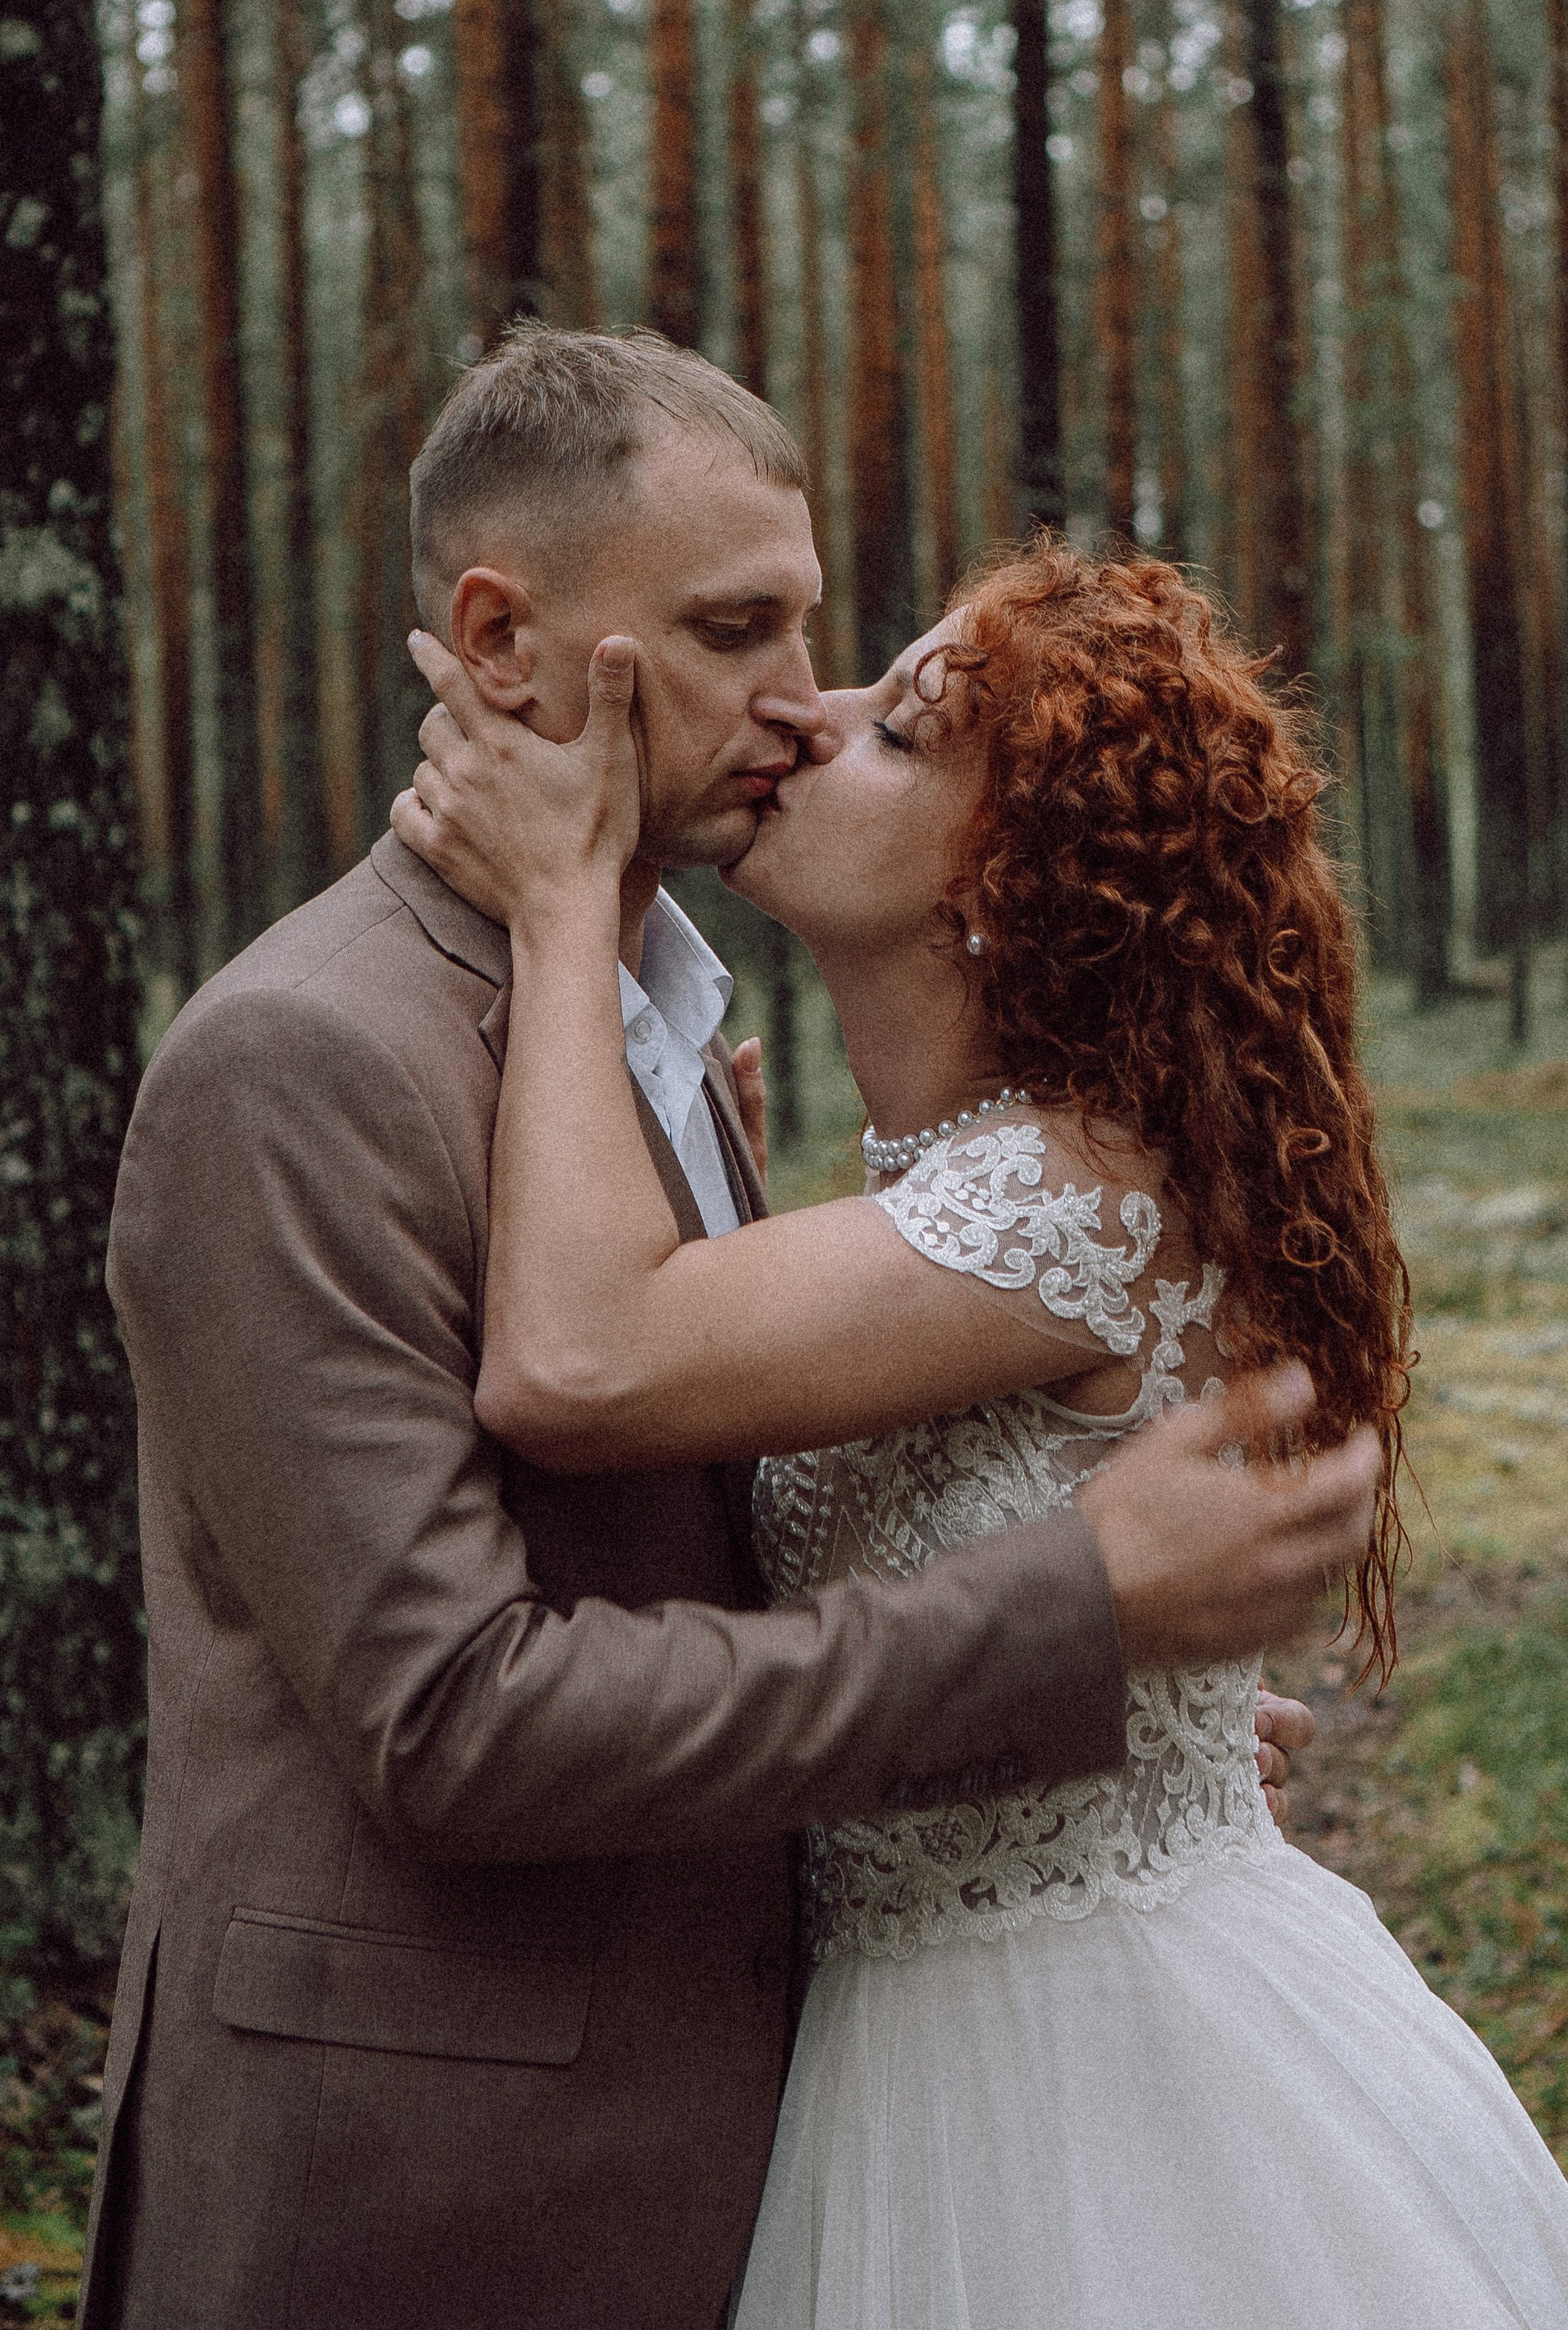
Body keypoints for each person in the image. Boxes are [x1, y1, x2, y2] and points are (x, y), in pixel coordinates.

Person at [80, 329, 1376, 2330]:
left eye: (818, 634)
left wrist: (1106, 1758)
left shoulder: (665, 1026)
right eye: (730, 629)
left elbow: (722, 1526)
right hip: (429, 2201)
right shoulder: (299, 1062)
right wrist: (1064, 1636)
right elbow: (456, 1719)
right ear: (498, 639)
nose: (795, 700)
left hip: (803, 2136)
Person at [392, 528, 1568, 2328]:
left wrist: (565, 898)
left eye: (898, 732)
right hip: (912, 2028)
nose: (801, 722)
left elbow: (575, 1365)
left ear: (1010, 878)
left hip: (1095, 2068)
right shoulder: (966, 1187)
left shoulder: (1067, 1195)